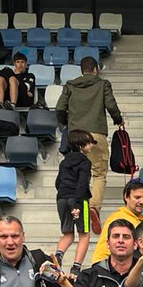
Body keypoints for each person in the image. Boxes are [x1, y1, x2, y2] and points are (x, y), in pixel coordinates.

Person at [55, 55, 124, 209]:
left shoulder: (70, 85)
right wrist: (118, 119)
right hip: (96, 134)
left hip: (75, 136)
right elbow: (111, 105)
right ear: (95, 70)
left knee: (77, 172)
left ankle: (77, 206)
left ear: (81, 70)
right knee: (98, 174)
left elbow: (59, 108)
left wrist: (66, 122)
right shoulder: (103, 84)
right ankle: (93, 206)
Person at [54, 130, 96, 275]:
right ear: (80, 145)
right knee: (84, 234)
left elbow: (58, 182)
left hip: (61, 199)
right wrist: (78, 205)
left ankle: (58, 255)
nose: (91, 145)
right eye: (89, 142)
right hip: (78, 199)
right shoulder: (85, 162)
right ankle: (76, 267)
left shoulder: (64, 162)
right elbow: (82, 184)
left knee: (67, 233)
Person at [89, 178, 143, 264]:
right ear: (126, 197)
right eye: (137, 197)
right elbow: (104, 251)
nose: (142, 201)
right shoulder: (117, 218)